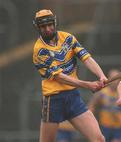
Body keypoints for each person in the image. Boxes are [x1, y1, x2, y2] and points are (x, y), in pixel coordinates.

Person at [32, 9, 107, 142]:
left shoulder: (67, 38)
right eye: (43, 26)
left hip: (73, 98)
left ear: (55, 23)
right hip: (53, 100)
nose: (48, 29)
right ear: (38, 28)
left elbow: (86, 58)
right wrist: (87, 85)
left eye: (50, 24)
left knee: (99, 139)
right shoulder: (40, 50)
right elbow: (59, 77)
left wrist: (101, 75)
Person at [89, 69, 121, 142]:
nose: (115, 81)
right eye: (113, 78)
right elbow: (92, 105)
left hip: (119, 126)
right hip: (104, 125)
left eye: (117, 79)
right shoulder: (102, 93)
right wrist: (92, 121)